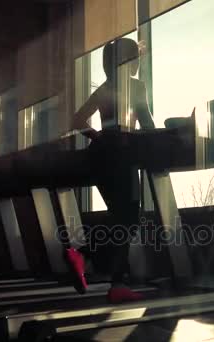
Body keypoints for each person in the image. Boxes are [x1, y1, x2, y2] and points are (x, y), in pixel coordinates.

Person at [65, 38, 156, 304]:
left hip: (100, 156)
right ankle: (92, 262)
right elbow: (147, 124)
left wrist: (99, 137)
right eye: (135, 57)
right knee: (127, 219)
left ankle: (102, 269)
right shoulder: (136, 87)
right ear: (129, 61)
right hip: (124, 155)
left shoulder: (104, 89)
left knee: (120, 219)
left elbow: (76, 120)